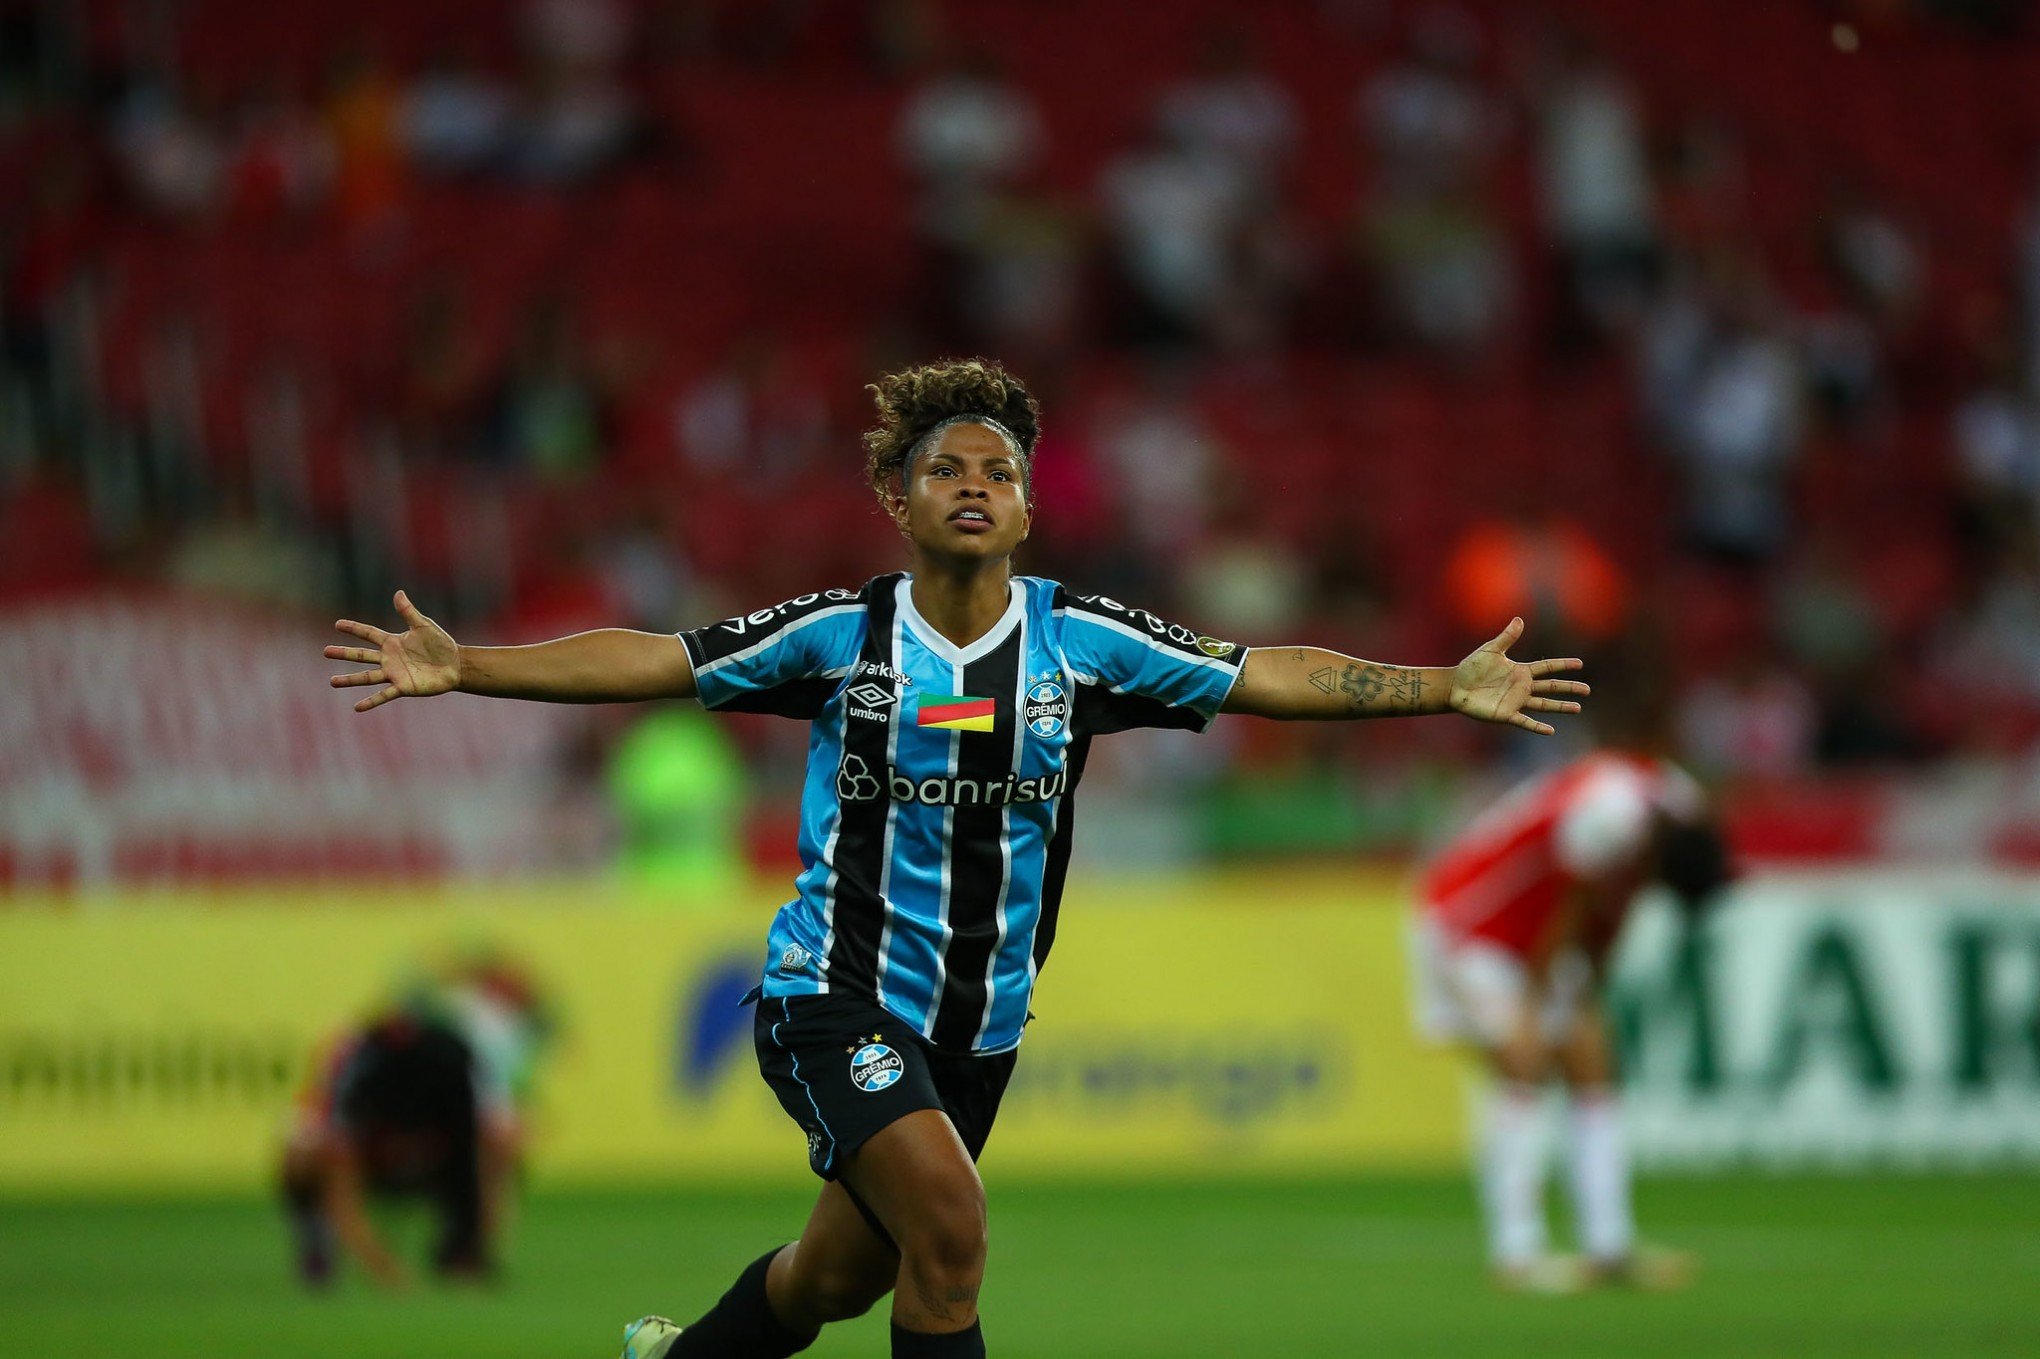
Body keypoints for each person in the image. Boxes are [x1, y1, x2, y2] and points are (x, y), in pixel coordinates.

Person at [323, 357, 1589, 1357]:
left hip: (981, 1026)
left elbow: (1266, 674)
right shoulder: (841, 635)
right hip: (835, 995)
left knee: (832, 1279)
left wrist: (1444, 685)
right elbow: (660, 655)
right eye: (945, 469)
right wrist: (469, 664)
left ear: (1031, 508)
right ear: (900, 500)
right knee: (954, 1231)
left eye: (999, 469)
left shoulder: (1084, 642)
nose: (975, 482)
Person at [1410, 745, 1732, 1292]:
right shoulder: (1605, 817)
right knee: (1524, 1061)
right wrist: (1538, 1007)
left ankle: (1609, 1249)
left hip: (1526, 935)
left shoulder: (1672, 809)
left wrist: (1586, 995)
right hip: (1470, 923)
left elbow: (1615, 911)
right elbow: (1568, 911)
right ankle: (1517, 1255)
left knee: (1591, 1061)